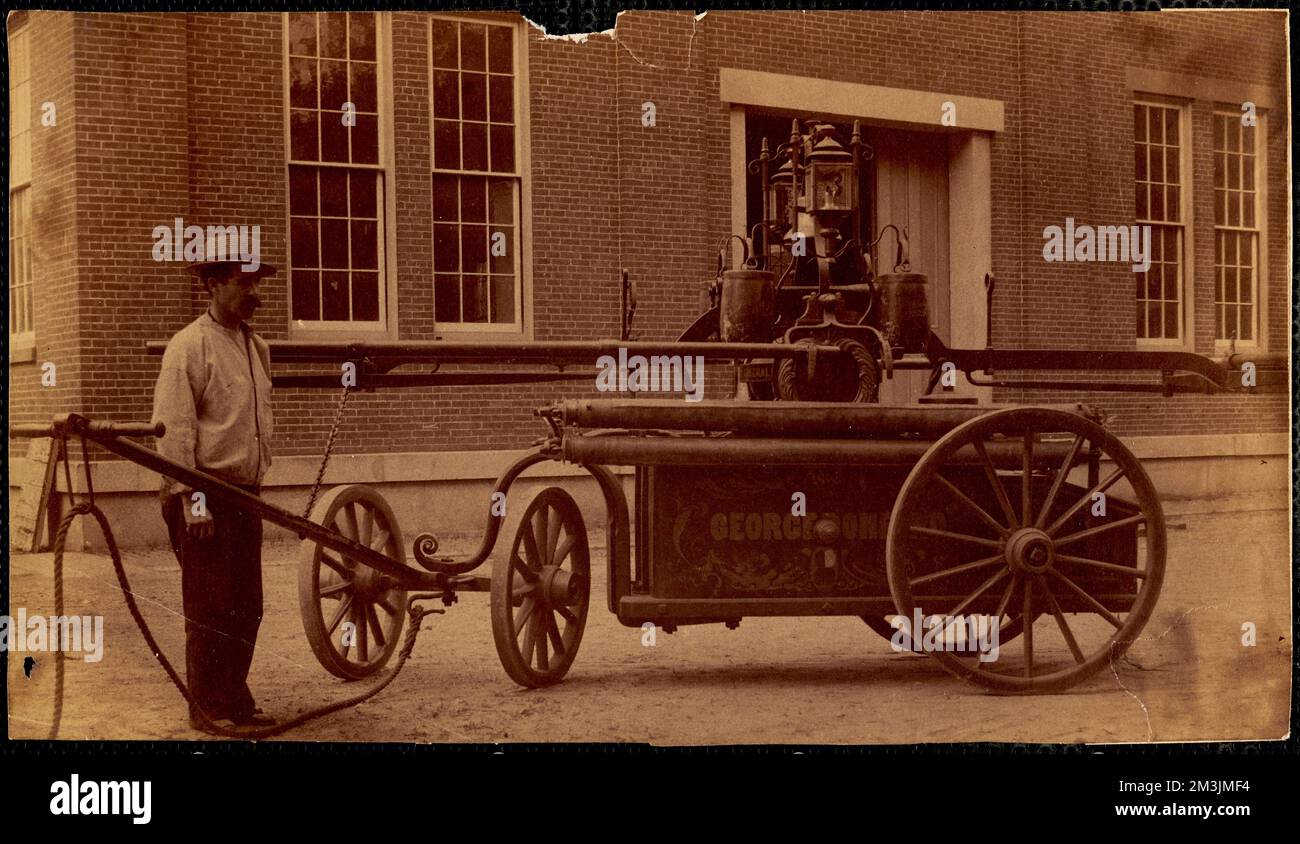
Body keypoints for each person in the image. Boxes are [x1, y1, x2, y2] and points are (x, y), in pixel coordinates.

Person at [152, 259, 276, 734]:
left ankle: (234, 699)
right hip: (204, 496)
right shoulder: (189, 347)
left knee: (248, 605)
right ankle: (208, 709)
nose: (254, 293)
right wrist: (192, 501)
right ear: (212, 285)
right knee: (211, 608)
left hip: (246, 494)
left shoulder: (255, 347)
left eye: (256, 283)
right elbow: (175, 430)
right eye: (243, 283)